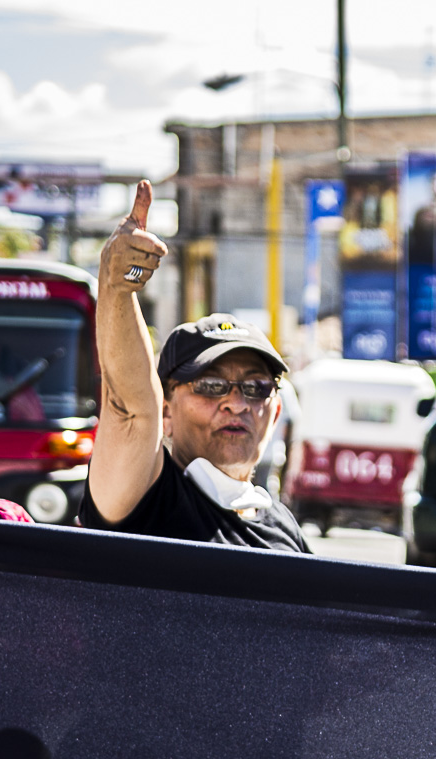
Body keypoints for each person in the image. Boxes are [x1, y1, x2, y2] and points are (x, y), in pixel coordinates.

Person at [82, 182, 308, 552]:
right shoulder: (149, 501)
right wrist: (117, 286)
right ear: (166, 413)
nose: (236, 403)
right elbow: (129, 407)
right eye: (211, 385)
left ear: (276, 411)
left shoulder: (283, 526)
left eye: (256, 387)